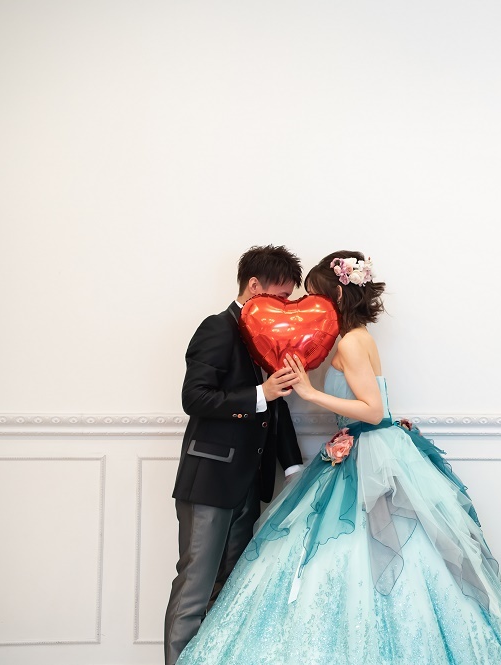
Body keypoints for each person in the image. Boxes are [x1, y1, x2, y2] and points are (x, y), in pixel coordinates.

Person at [176, 250, 501, 664]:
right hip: (362, 450)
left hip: (369, 451)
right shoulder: (352, 339)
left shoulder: (350, 343)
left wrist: (309, 393)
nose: (309, 306)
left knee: (366, 551)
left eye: (315, 295)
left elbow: (373, 411)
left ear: (338, 294)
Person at [164, 245, 307, 665]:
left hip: (248, 484)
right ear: (254, 286)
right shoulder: (218, 327)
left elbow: (276, 407)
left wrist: (293, 466)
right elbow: (195, 398)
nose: (284, 307)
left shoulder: (268, 337)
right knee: (194, 588)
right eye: (280, 297)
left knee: (229, 590)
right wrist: (260, 392)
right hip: (210, 482)